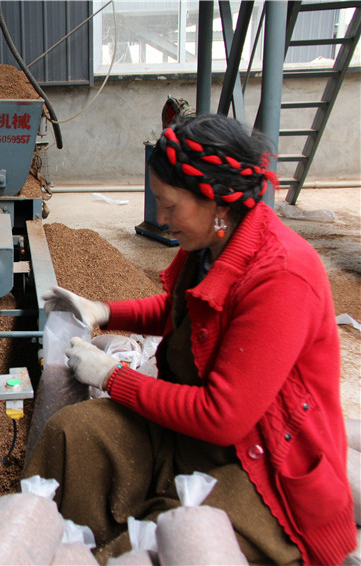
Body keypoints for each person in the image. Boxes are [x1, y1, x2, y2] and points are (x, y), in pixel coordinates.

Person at [27, 114, 355, 564]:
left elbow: (223, 417)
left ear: (216, 200)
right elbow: (181, 311)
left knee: (159, 546)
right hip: (188, 436)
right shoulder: (209, 243)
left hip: (259, 465)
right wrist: (103, 310)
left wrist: (113, 377)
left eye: (170, 205)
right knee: (74, 433)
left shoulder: (281, 275)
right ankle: (58, 541)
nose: (161, 219)